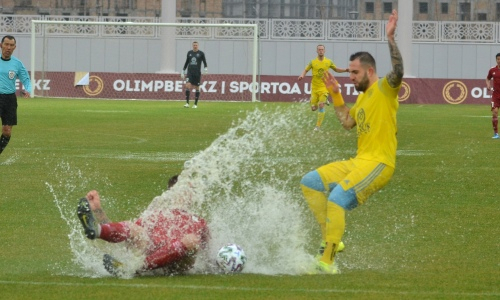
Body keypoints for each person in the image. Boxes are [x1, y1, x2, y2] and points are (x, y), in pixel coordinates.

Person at [300, 9, 403, 274]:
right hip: (359, 162)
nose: (351, 77)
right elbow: (347, 122)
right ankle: (331, 240)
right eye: (350, 74)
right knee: (310, 182)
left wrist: (390, 38)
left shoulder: (385, 89)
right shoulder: (361, 98)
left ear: (370, 70)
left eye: (355, 73)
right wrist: (335, 94)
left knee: (337, 198)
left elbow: (398, 70)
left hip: (379, 164)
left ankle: (328, 260)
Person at [77, 175, 210, 276]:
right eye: (185, 190)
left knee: (192, 240)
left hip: (176, 264)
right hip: (147, 252)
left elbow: (206, 254)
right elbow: (124, 236)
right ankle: (97, 230)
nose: (189, 194)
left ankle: (135, 268)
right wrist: (98, 210)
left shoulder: (199, 221)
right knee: (135, 228)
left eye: (190, 191)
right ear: (171, 193)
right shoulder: (156, 214)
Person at [298, 44, 349, 131]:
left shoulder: (328, 61)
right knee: (313, 108)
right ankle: (323, 101)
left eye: (322, 49)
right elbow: (306, 70)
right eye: (319, 49)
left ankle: (317, 126)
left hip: (324, 87)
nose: (321, 51)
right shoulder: (312, 62)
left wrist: (345, 70)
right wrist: (302, 75)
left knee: (321, 105)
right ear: (317, 51)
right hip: (314, 87)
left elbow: (336, 69)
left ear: (324, 51)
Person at [0, 35, 31, 155]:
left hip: (9, 100)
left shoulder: (17, 64)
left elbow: (26, 79)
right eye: (6, 44)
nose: (8, 47)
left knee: (7, 131)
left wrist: (28, 90)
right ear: (1, 45)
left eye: (11, 45)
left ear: (15, 47)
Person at [181, 41, 208, 109]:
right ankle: (187, 103)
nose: (195, 46)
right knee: (187, 85)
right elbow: (187, 62)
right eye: (194, 45)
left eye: (196, 45)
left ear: (198, 46)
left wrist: (205, 68)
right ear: (192, 46)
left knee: (197, 87)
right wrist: (183, 70)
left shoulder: (201, 53)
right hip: (189, 72)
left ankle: (195, 104)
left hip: (197, 73)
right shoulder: (189, 53)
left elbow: (204, 62)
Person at [485, 53, 500, 139]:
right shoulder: (492, 70)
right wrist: (488, 85)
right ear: (496, 60)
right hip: (496, 95)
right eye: (498, 59)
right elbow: (487, 78)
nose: (499, 60)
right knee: (495, 113)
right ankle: (496, 134)